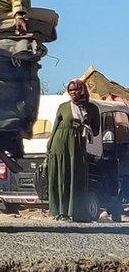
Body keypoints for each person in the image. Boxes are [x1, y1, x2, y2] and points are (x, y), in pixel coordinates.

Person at [47, 79, 101, 222]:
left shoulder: (92, 108)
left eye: (75, 90)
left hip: (78, 146)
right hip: (60, 144)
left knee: (77, 177)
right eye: (70, 90)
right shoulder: (63, 107)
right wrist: (49, 146)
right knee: (62, 177)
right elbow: (55, 127)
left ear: (82, 90)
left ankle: (77, 212)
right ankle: (61, 212)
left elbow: (96, 131)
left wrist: (86, 126)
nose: (73, 93)